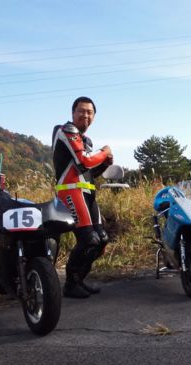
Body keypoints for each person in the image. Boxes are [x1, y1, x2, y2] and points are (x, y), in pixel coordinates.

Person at [52, 96, 113, 298]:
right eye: (81, 111)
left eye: (90, 112)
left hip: (87, 193)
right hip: (70, 191)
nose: (85, 115)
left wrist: (104, 164)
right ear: (73, 113)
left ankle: (78, 280)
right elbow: (84, 161)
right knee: (89, 240)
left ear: (94, 116)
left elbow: (88, 171)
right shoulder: (66, 130)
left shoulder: (85, 140)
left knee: (101, 240)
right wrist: (104, 152)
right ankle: (70, 285)